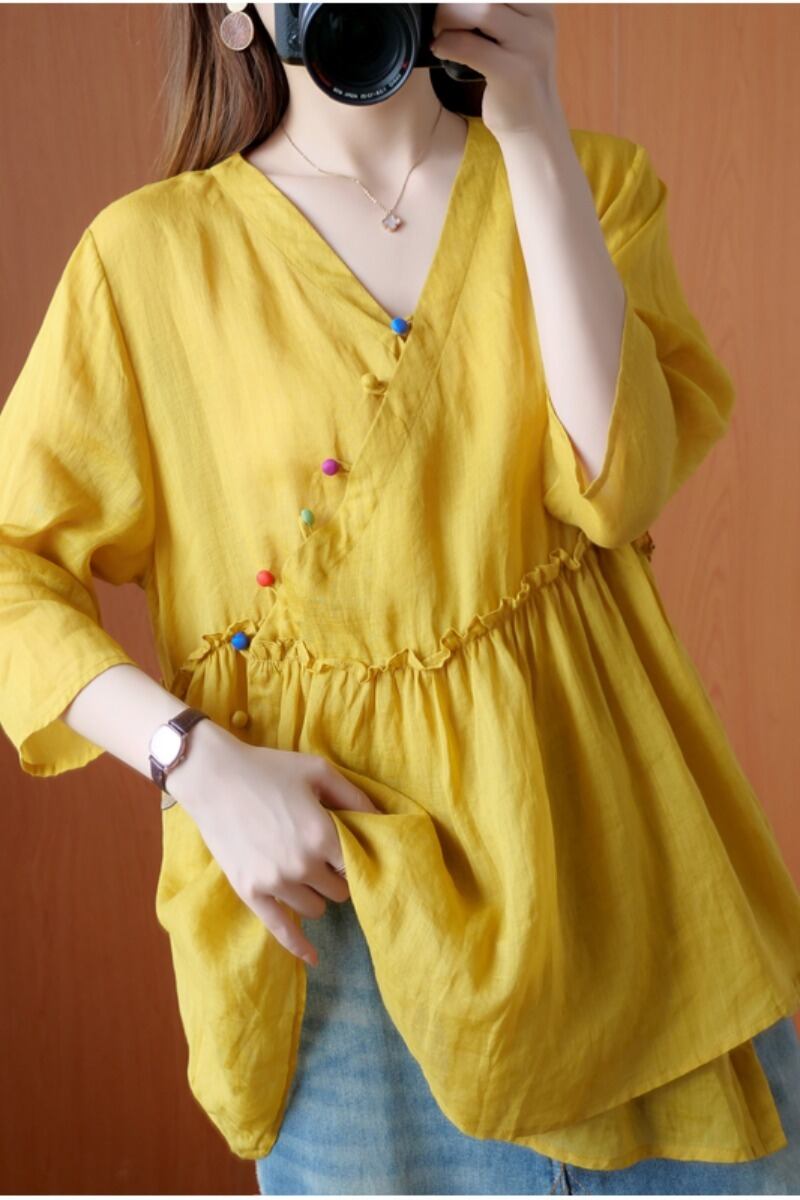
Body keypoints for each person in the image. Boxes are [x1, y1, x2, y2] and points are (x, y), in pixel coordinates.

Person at [1, 2, 799, 1194]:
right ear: (230, 14)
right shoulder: (148, 260)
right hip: (343, 917)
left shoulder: (587, 182)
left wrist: (529, 125)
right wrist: (195, 763)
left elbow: (620, 483)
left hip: (622, 878)